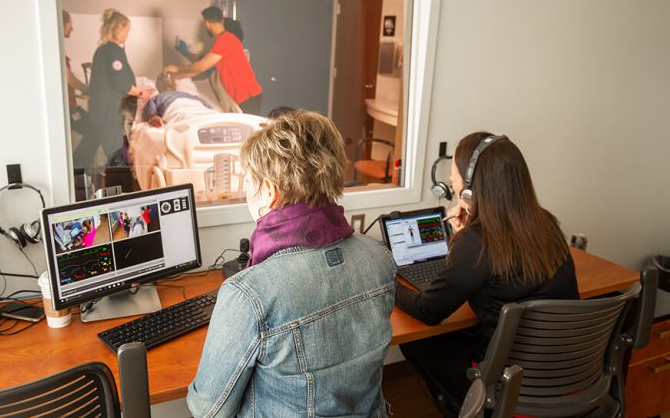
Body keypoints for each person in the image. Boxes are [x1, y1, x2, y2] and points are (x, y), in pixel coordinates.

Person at [186, 111, 396, 417]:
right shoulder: (379, 257)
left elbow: (209, 409)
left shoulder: (249, 294)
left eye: (249, 182)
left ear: (268, 191)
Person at [395, 132, 579, 417]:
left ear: (470, 190)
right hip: (560, 373)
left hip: (503, 381)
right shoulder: (546, 223)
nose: (452, 180)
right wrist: (468, 233)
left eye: (453, 173)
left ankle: (468, 409)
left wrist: (386, 281)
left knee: (416, 342)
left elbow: (429, 310)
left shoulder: (476, 243)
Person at [76, 8, 153, 174]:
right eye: (127, 30)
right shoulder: (113, 51)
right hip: (107, 115)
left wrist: (138, 89)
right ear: (119, 29)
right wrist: (140, 92)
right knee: (116, 156)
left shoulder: (104, 50)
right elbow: (119, 82)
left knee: (87, 149)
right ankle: (121, 188)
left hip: (101, 113)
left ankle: (77, 177)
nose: (128, 34)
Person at [164, 6, 263, 115]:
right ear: (222, 21)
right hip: (247, 95)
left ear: (207, 23)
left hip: (248, 96)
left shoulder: (225, 40)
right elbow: (204, 61)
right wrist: (184, 61)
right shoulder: (225, 39)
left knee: (251, 130)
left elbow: (202, 66)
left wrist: (176, 68)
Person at [62, 10, 88, 111]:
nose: (72, 29)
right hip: (67, 107)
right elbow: (69, 79)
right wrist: (88, 90)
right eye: (70, 24)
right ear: (63, 24)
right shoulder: (56, 48)